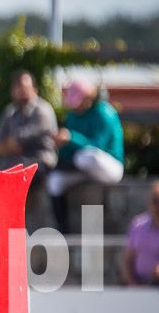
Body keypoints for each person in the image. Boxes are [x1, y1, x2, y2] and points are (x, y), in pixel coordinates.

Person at [47, 78, 125, 230]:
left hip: (110, 167)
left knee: (86, 157)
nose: (75, 107)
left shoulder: (104, 113)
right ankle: (63, 229)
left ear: (89, 98)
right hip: (83, 170)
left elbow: (98, 146)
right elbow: (69, 152)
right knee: (55, 181)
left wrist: (71, 138)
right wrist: (59, 144)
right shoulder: (72, 116)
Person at [0, 70, 58, 175]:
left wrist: (11, 144)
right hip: (14, 162)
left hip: (40, 161)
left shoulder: (43, 110)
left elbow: (25, 139)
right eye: (18, 87)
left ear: (35, 89)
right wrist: (8, 145)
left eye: (25, 87)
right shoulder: (10, 112)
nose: (22, 91)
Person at [120, 180, 159, 285]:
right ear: (149, 202)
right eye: (155, 201)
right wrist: (132, 283)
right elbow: (127, 260)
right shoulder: (138, 224)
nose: (158, 206)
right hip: (138, 285)